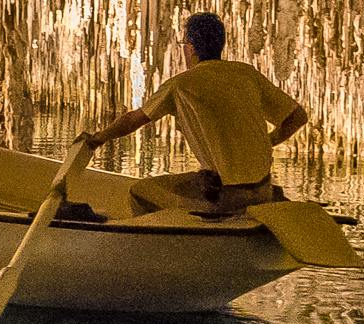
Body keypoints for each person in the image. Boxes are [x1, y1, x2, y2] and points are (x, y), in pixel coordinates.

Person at [76, 12, 308, 218]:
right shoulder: (246, 74)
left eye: (184, 43)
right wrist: (269, 142)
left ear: (191, 48)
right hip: (264, 190)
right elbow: (297, 117)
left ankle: (168, 245)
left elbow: (132, 120)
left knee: (140, 192)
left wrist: (97, 139)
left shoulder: (180, 85)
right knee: (200, 178)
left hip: (226, 197)